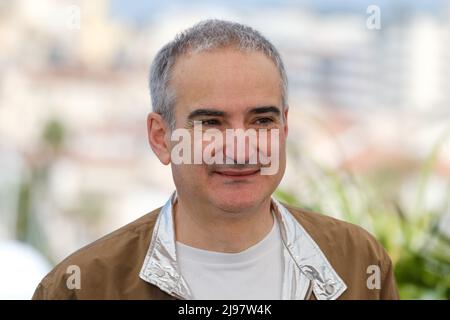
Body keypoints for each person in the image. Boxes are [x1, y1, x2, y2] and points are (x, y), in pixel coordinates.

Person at [33, 19, 399, 300]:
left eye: (262, 121)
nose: (240, 148)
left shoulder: (357, 263)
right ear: (162, 139)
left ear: (285, 130)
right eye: (210, 122)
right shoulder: (84, 286)